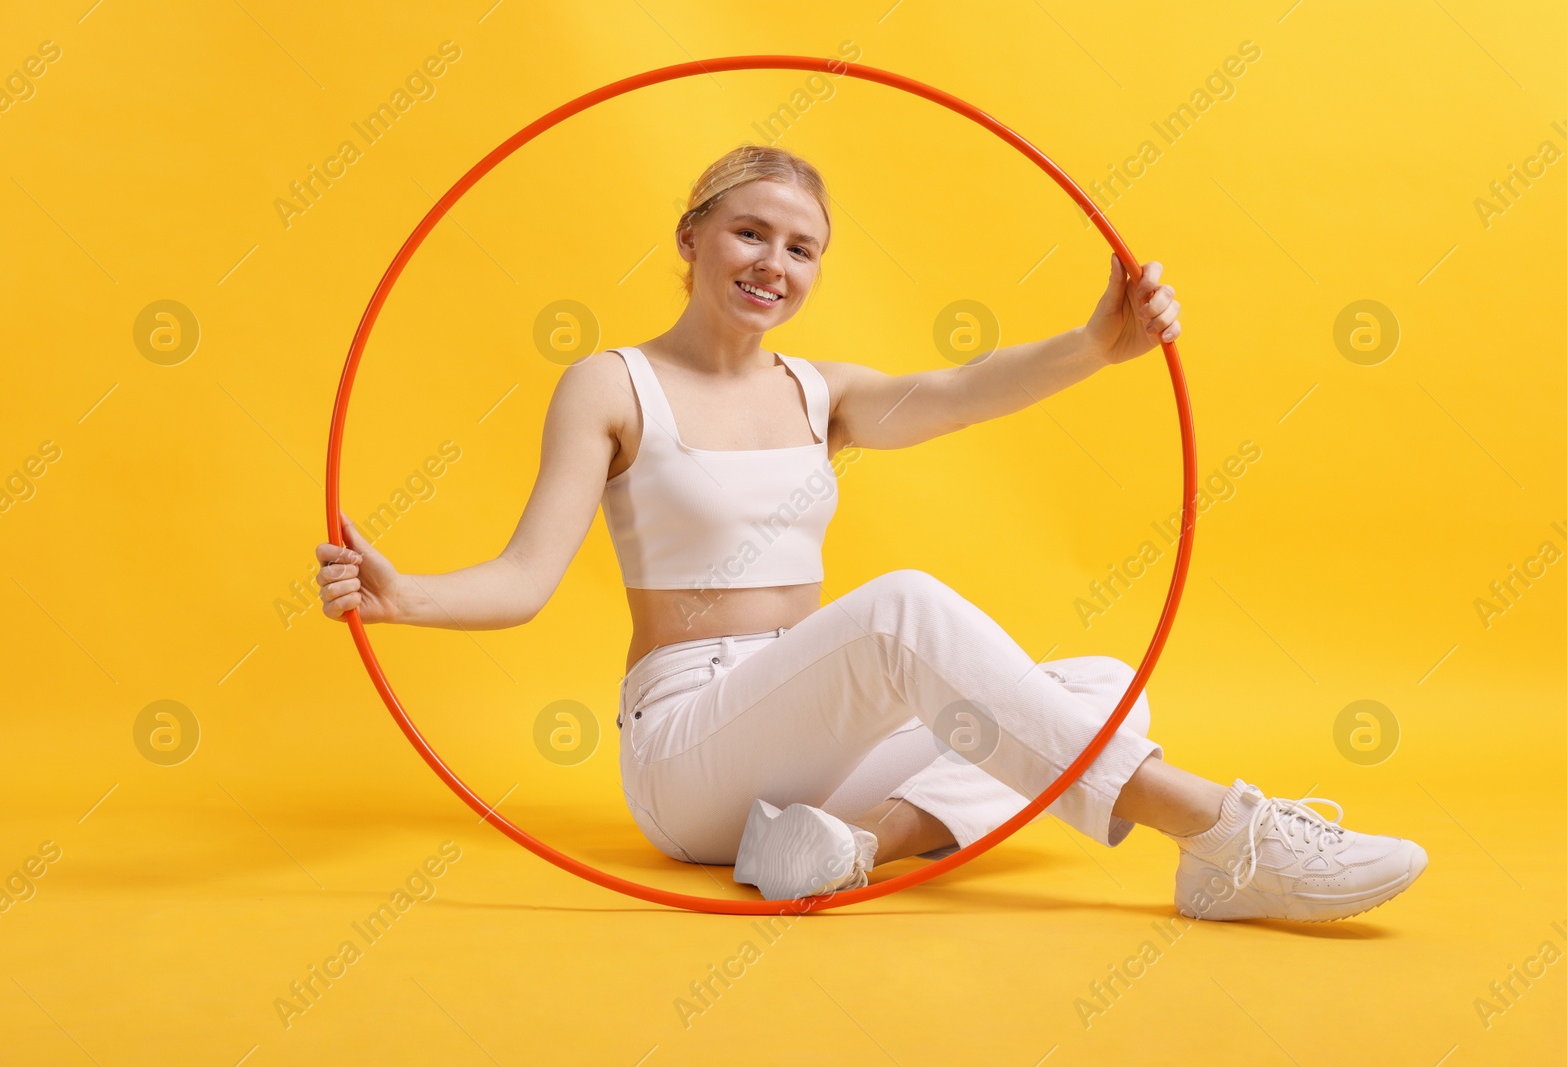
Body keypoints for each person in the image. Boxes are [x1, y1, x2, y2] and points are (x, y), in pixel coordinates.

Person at [314, 144, 1428, 920]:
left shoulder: (819, 391)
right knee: (904, 608)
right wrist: (398, 593)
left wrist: (1098, 343)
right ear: (691, 237)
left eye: (801, 249)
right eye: (750, 231)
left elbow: (961, 389)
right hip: (691, 743)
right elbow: (523, 576)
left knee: (1102, 683)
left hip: (820, 756)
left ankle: (850, 849)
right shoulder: (610, 385)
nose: (773, 264)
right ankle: (1223, 830)